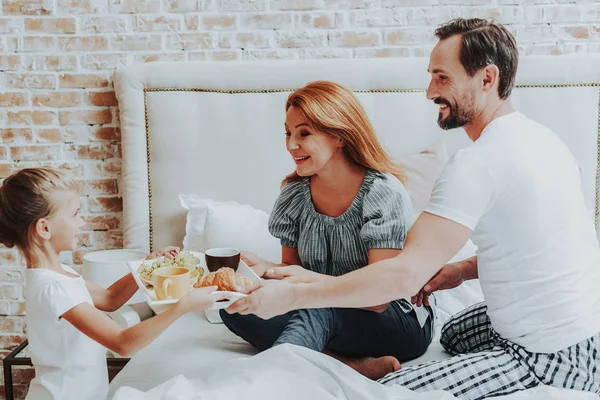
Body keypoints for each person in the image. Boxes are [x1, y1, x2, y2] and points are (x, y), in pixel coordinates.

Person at [227, 18, 600, 399]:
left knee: (390, 390)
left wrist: (294, 295)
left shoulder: (478, 163)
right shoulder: (543, 138)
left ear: (487, 79)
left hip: (549, 352)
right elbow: (543, 240)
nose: (429, 92)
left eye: (442, 77)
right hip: (585, 327)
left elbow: (402, 277)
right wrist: (462, 270)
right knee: (453, 333)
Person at [220, 81, 435, 379]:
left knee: (318, 307)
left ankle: (270, 383)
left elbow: (379, 297)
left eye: (304, 133)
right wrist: (268, 270)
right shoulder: (294, 195)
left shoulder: (383, 193)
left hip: (394, 317)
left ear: (339, 136)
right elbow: (292, 273)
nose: (291, 145)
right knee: (237, 308)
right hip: (326, 313)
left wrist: (308, 284)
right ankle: (349, 366)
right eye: (288, 132)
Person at [0, 167, 229, 400]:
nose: (82, 223)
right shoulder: (53, 287)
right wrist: (182, 306)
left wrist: (146, 267)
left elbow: (110, 299)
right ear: (45, 228)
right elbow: (123, 344)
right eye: (75, 214)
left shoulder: (59, 274)